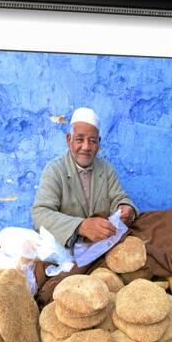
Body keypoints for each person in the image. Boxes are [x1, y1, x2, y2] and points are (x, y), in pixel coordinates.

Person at [32, 107, 138, 251]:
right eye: (79, 139)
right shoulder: (55, 170)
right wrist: (81, 227)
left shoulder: (106, 169)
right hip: (69, 250)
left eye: (92, 141)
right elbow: (40, 215)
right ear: (69, 140)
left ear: (99, 142)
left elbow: (118, 197)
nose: (86, 147)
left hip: (102, 246)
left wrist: (126, 208)